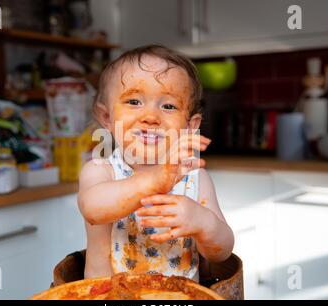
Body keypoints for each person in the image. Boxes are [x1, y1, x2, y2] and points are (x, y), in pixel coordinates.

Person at [78, 45, 234, 282]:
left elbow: (222, 253)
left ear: (190, 126)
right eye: (133, 101)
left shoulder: (195, 178)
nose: (151, 117)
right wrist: (155, 180)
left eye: (168, 106)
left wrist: (202, 223)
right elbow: (92, 209)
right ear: (107, 118)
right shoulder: (101, 171)